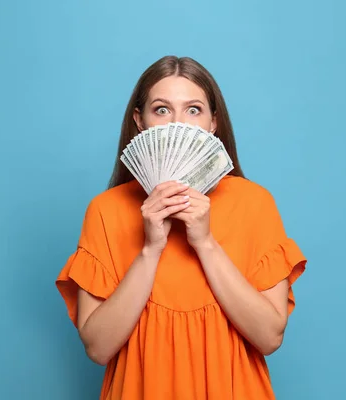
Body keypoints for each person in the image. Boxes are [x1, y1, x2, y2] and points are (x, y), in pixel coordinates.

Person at [55, 55, 307, 400]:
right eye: (161, 110)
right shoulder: (106, 210)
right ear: (139, 121)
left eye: (193, 110)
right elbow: (98, 348)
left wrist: (205, 243)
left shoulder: (256, 204)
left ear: (213, 123)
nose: (178, 124)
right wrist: (150, 249)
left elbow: (269, 337)